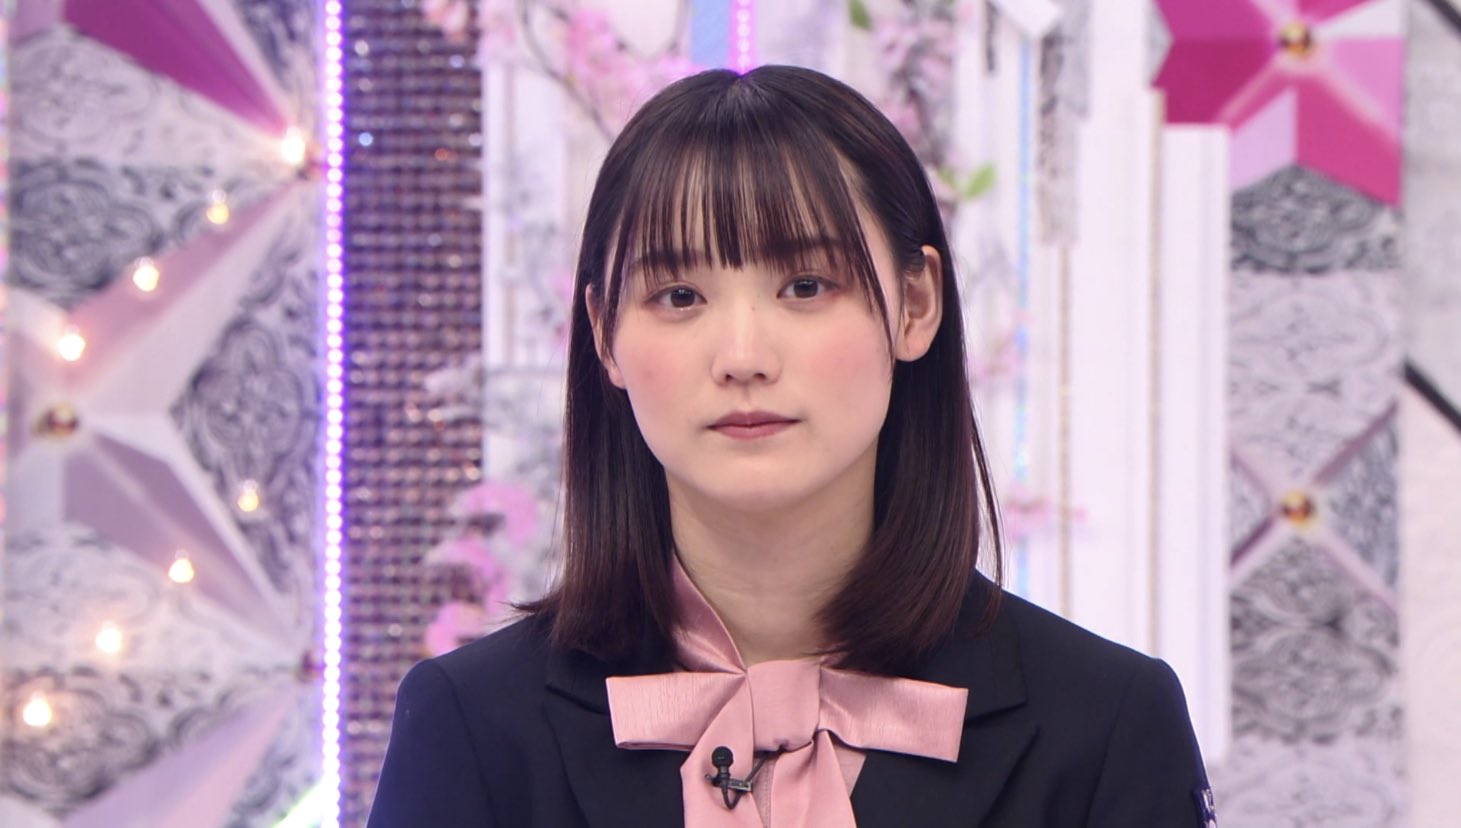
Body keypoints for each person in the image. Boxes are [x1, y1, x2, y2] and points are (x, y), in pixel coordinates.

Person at [368, 65, 1215, 827]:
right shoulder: (472, 726)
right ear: (603, 333)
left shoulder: (1105, 724)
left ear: (915, 306)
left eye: (805, 286)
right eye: (679, 295)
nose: (743, 358)